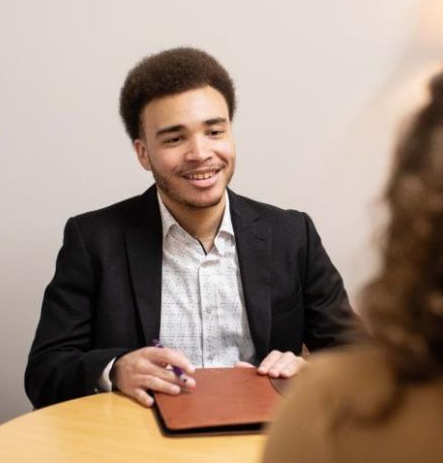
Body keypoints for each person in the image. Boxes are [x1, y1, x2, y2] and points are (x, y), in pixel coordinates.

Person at [25, 47, 357, 409]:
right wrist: (116, 368)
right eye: (174, 138)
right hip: (140, 443)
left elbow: (361, 358)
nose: (200, 153)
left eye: (214, 131)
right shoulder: (93, 240)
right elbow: (44, 373)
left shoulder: (293, 234)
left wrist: (312, 371)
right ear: (143, 153)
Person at [263, 31, 443, 463]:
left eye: (214, 130)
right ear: (144, 150)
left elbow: (344, 338)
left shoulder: (332, 405)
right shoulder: (106, 235)